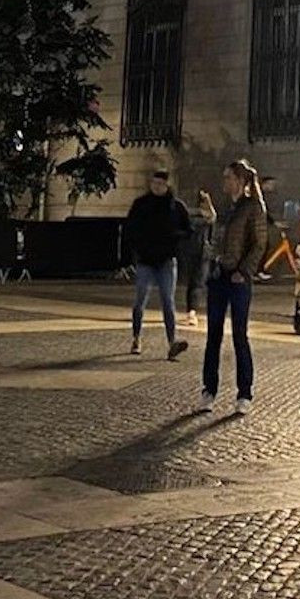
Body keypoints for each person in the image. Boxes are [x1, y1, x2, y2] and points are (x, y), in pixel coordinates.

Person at [199, 160, 271, 415]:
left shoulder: (253, 208)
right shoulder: (229, 210)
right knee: (213, 335)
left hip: (238, 278)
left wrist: (244, 271)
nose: (224, 182)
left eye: (228, 177)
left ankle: (245, 392)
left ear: (240, 181)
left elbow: (259, 243)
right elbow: (220, 241)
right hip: (219, 275)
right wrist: (212, 220)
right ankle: (209, 390)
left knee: (240, 335)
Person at [121, 172, 192, 361]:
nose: (157, 186)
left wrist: (174, 238)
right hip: (145, 260)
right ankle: (136, 338)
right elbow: (130, 229)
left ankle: (172, 342)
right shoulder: (141, 204)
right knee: (140, 301)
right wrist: (134, 252)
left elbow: (188, 230)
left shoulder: (176, 207)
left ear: (167, 185)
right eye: (155, 183)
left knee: (168, 302)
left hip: (166, 260)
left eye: (161, 183)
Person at [181, 190, 214, 330]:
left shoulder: (191, 216)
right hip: (200, 252)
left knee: (195, 283)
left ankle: (192, 311)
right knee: (197, 282)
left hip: (195, 251)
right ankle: (192, 311)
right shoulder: (204, 217)